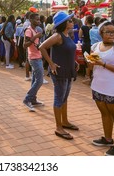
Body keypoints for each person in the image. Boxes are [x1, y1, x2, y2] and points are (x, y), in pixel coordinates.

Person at [89, 21, 114, 156]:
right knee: (105, 114)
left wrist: (103, 64)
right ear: (101, 33)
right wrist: (89, 62)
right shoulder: (95, 46)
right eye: (108, 32)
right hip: (98, 86)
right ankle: (107, 139)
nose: (112, 34)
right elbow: (92, 67)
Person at [39, 11, 79, 140]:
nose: (72, 22)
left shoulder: (67, 35)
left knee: (64, 97)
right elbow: (42, 47)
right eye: (70, 20)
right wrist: (51, 63)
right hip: (59, 71)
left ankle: (65, 121)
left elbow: (66, 51)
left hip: (68, 70)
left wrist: (74, 62)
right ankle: (58, 127)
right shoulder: (58, 36)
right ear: (64, 24)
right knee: (59, 98)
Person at [22, 13, 45, 112]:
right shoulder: (29, 31)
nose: (39, 21)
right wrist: (35, 36)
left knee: (35, 79)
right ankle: (27, 99)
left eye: (39, 20)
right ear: (31, 20)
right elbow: (25, 45)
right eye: (36, 20)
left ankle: (33, 99)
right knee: (39, 80)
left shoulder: (35, 30)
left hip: (38, 56)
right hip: (34, 58)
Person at [79, 15, 93, 80]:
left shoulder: (83, 27)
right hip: (93, 45)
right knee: (92, 60)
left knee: (87, 60)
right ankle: (92, 75)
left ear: (86, 20)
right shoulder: (94, 27)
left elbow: (80, 35)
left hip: (86, 45)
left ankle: (87, 76)